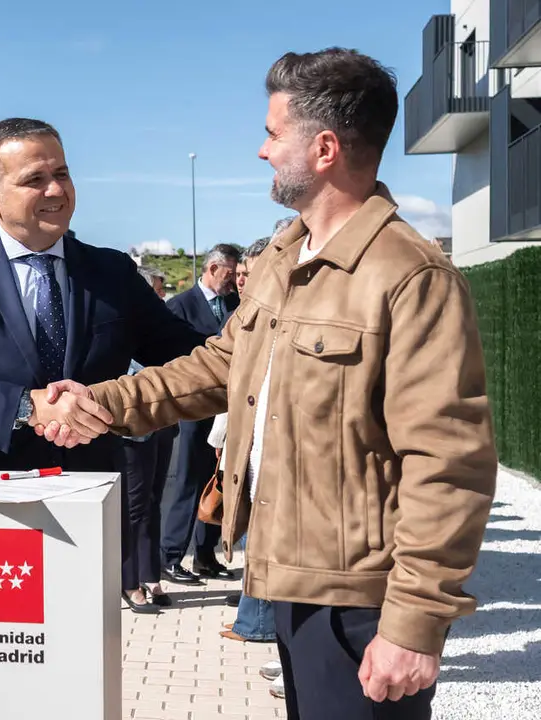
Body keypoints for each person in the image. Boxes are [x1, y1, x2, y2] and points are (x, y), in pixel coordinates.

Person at [28, 48, 497, 719]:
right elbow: (222, 365)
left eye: (274, 134)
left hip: (359, 602)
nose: (261, 150)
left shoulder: (409, 276)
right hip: (287, 577)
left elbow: (447, 463)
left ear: (325, 147)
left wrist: (413, 624)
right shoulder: (283, 254)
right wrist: (102, 401)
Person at [0, 117, 202, 479]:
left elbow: (191, 355)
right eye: (35, 180)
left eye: (61, 174)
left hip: (91, 498)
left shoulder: (113, 272)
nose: (55, 190)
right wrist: (24, 406)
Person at [160, 244, 242, 586]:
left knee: (216, 481)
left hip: (226, 411)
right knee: (189, 481)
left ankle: (206, 556)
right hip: (194, 409)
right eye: (229, 274)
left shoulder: (235, 306)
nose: (233, 281)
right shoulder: (180, 306)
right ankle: (171, 557)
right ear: (211, 269)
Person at [119, 266, 178, 613]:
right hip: (133, 431)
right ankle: (129, 582)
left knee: (154, 501)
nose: (160, 297)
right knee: (134, 506)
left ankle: (150, 574)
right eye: (155, 290)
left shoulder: (160, 327)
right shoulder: (122, 325)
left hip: (163, 425)